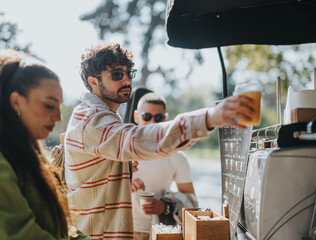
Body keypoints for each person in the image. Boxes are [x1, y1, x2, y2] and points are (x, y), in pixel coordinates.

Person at [64, 42, 255, 239]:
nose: (127, 80)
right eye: (117, 75)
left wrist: (124, 174)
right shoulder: (92, 119)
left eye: (129, 73)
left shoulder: (97, 116)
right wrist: (208, 118)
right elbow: (138, 139)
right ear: (93, 82)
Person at [0, 51, 90, 239]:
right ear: (16, 101)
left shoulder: (33, 158)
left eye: (59, 106)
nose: (58, 117)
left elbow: (63, 231)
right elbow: (22, 233)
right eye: (49, 105)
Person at [132, 92, 197, 240]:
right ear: (137, 116)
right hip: (122, 229)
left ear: (166, 119)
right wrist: (122, 183)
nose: (152, 122)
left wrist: (165, 206)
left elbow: (192, 202)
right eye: (146, 116)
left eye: (159, 118)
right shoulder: (122, 151)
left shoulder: (177, 156)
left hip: (160, 231)